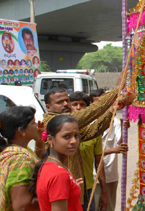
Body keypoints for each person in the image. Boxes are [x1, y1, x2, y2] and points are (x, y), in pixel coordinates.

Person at [42, 70, 134, 204]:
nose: (65, 104)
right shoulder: (52, 122)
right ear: (48, 107)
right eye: (60, 102)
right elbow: (90, 113)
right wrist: (117, 90)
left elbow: (93, 130)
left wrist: (113, 108)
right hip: (62, 189)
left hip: (80, 187)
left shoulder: (69, 124)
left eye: (67, 101)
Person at [30, 115, 83, 211]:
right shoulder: (59, 174)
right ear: (50, 140)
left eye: (76, 136)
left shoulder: (49, 165)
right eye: (66, 136)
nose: (74, 141)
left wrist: (71, 187)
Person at [90, 90, 130, 211]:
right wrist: (114, 150)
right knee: (95, 205)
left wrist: (125, 129)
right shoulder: (89, 125)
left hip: (111, 174)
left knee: (109, 207)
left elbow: (120, 143)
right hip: (93, 175)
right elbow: (92, 152)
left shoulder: (116, 122)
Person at [0, 106, 45, 210]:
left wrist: (39, 141)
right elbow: (22, 206)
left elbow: (37, 164)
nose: (37, 125)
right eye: (33, 123)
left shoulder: (17, 150)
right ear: (21, 130)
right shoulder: (21, 159)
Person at [69, 91, 108, 211]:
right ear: (69, 107)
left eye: (82, 105)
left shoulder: (93, 132)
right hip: (66, 188)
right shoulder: (60, 131)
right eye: (75, 104)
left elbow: (99, 162)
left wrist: (104, 192)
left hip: (88, 188)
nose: (79, 108)